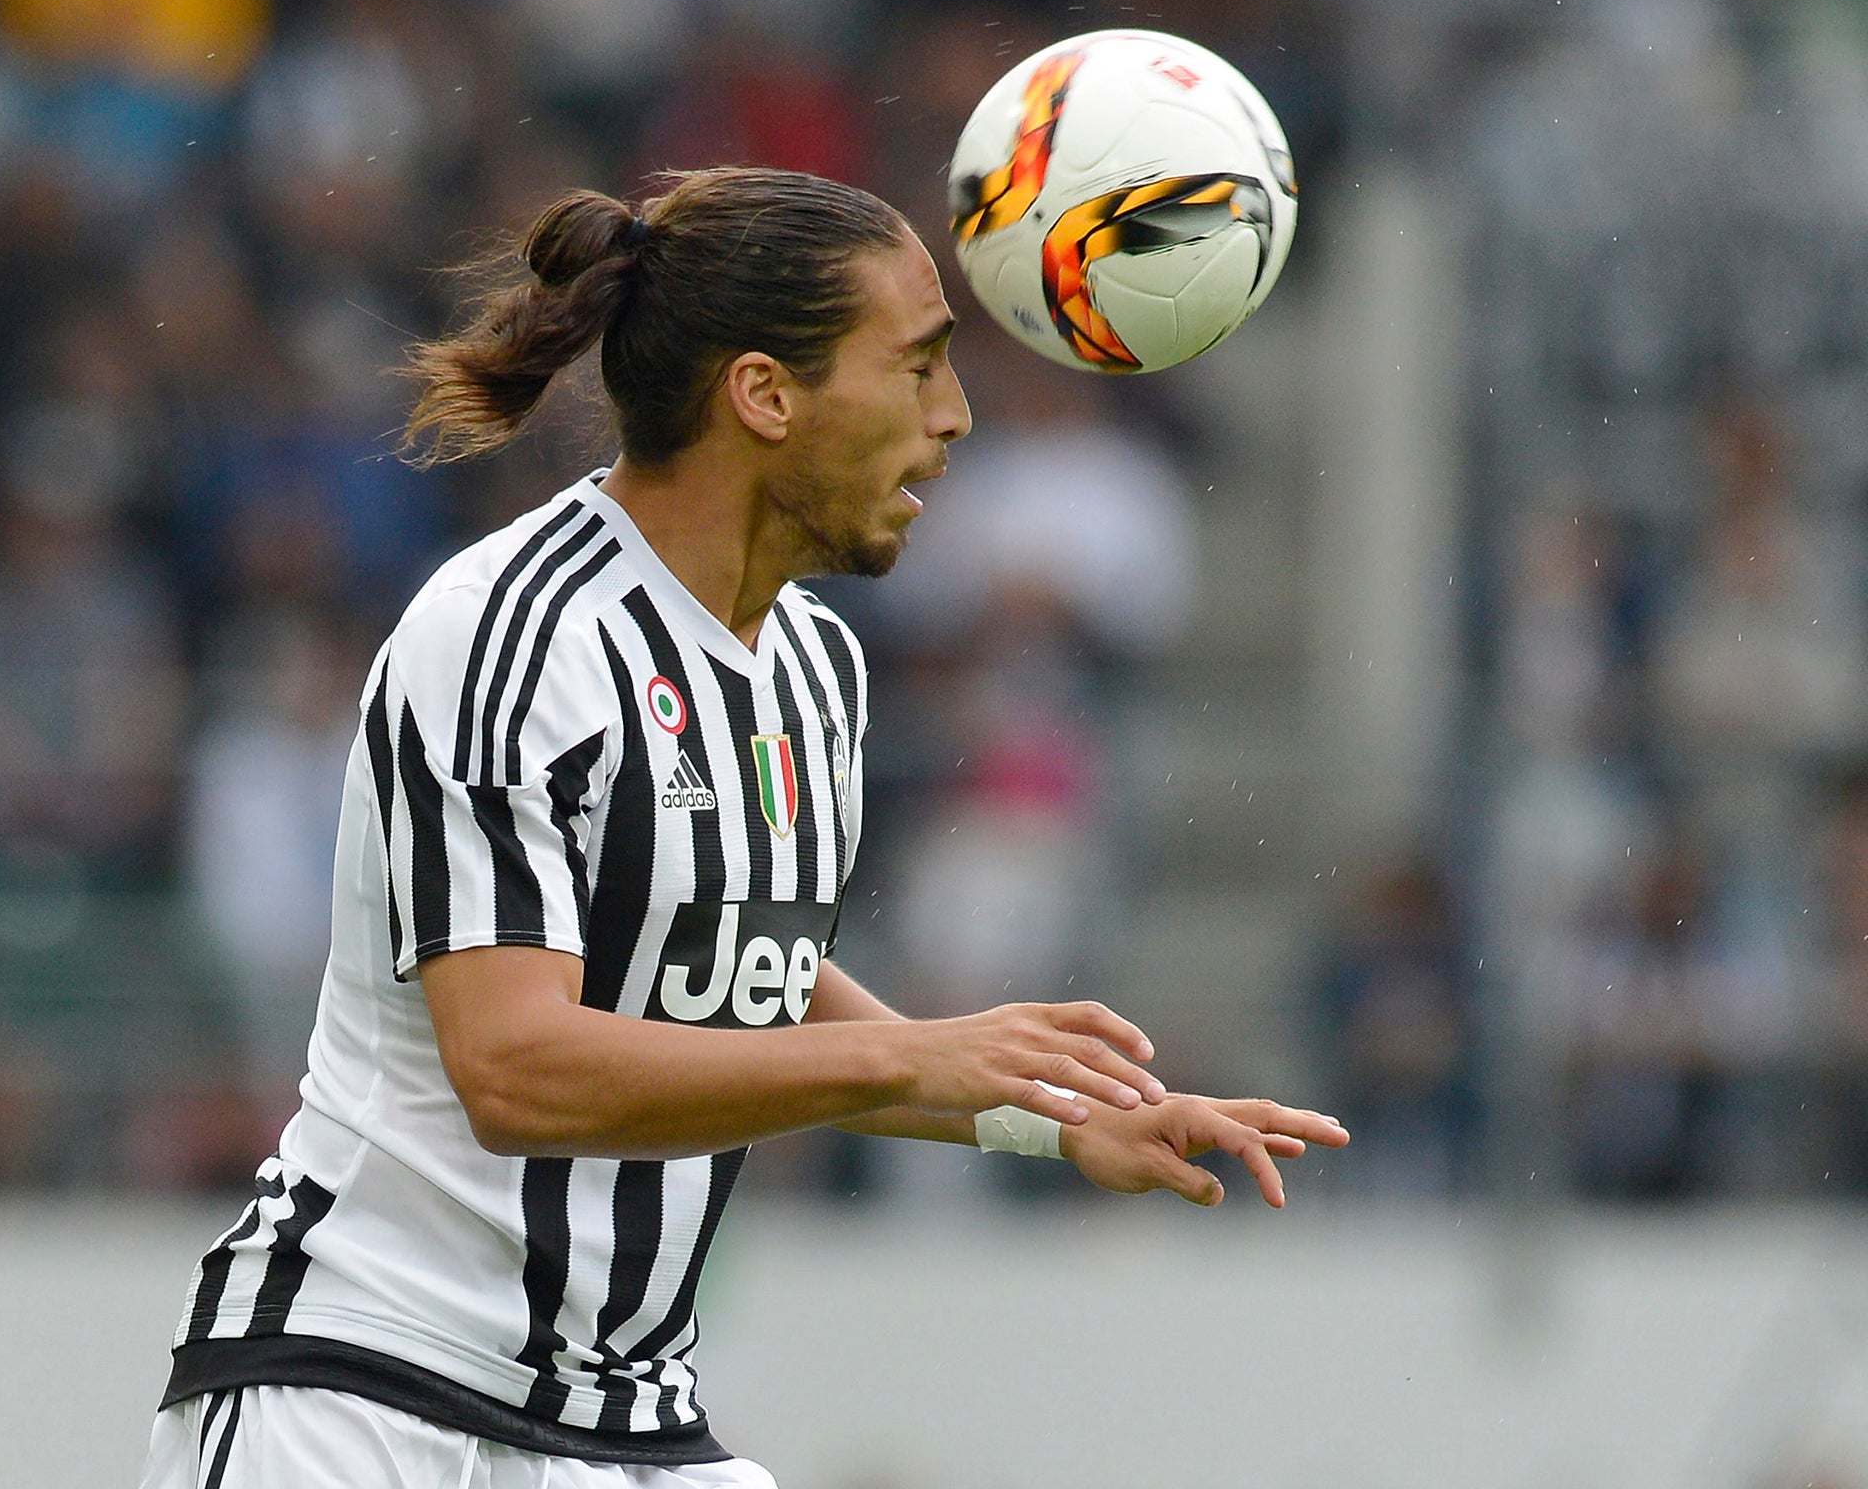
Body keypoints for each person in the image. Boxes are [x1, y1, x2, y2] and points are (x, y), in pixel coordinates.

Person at [139, 167, 1349, 1489]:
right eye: (918, 369)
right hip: (365, 1399)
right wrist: (919, 1063)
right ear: (766, 394)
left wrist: (1046, 1118)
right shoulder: (508, 633)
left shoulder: (816, 671)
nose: (953, 420)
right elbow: (515, 1069)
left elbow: (741, 977)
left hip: (632, 1428)